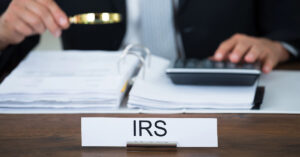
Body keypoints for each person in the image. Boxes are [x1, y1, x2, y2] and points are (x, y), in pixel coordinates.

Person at [0, 0, 300, 80]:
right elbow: (11, 33)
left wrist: (278, 45)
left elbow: (289, 23)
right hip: (91, 106)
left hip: (220, 93)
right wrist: (3, 30)